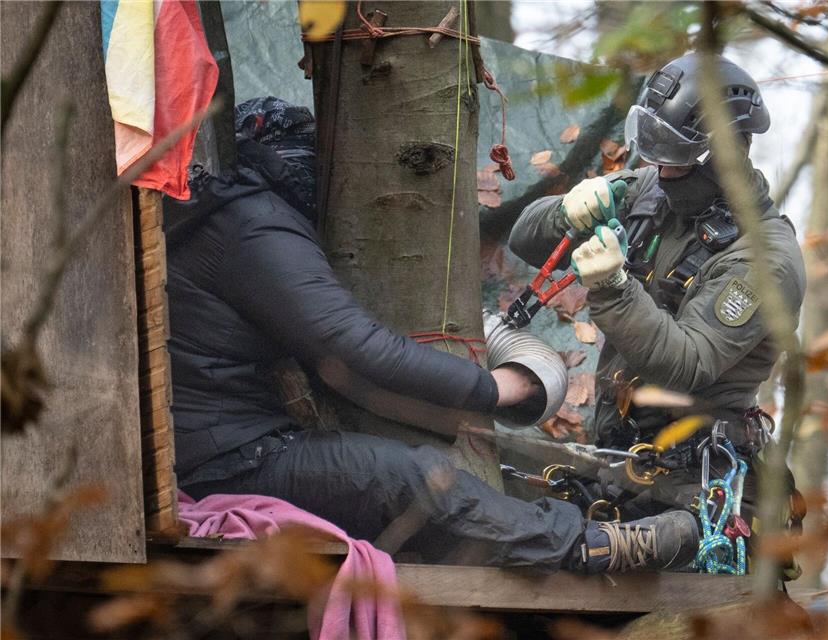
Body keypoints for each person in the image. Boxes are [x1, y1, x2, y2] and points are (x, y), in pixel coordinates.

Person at [165, 97, 698, 575]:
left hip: (224, 443)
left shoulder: (229, 211)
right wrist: (495, 390)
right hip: (228, 458)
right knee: (404, 476)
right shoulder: (252, 224)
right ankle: (585, 547)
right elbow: (350, 346)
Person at [509, 54, 806, 552]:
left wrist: (613, 288)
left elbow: (688, 362)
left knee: (581, 559)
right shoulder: (651, 191)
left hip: (700, 495)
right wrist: (565, 210)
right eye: (654, 151)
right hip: (619, 468)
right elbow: (525, 240)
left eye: (671, 155)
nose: (657, 169)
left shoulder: (766, 259)